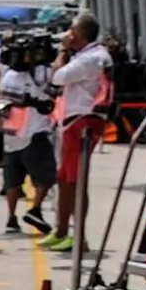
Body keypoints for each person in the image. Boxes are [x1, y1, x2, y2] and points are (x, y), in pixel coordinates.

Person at [46, 13, 113, 253]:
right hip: (73, 120)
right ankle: (61, 230)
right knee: (65, 178)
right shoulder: (88, 56)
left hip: (84, 120)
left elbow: (57, 77)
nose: (68, 35)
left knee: (76, 180)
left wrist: (62, 51)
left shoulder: (91, 58)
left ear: (81, 33)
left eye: (72, 30)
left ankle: (78, 236)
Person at [0, 36, 56, 235]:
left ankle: (11, 218)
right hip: (33, 133)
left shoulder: (7, 75)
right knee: (46, 177)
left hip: (11, 135)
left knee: (13, 181)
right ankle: (35, 209)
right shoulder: (39, 74)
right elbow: (53, 88)